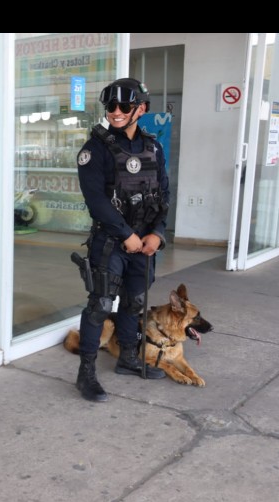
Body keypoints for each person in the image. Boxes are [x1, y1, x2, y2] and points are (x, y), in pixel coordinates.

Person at [73, 78, 170, 403]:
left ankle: (128, 357)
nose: (115, 112)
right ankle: (86, 372)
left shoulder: (154, 148)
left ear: (141, 109)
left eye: (124, 106)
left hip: (144, 243)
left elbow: (164, 194)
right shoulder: (95, 150)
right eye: (110, 106)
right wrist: (126, 235)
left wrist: (158, 234)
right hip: (111, 242)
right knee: (100, 305)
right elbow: (96, 201)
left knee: (134, 301)